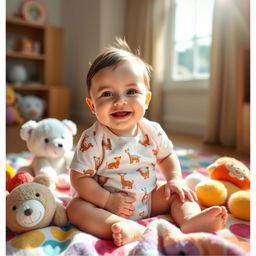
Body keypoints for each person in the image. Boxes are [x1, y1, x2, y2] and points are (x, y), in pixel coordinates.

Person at [67, 38, 228, 247]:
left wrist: (174, 179)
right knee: (76, 208)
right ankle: (124, 228)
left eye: (131, 92)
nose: (120, 101)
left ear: (147, 99)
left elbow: (167, 156)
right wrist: (107, 200)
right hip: (104, 206)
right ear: (92, 105)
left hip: (149, 199)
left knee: (180, 192)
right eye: (107, 94)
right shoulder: (92, 139)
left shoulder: (152, 130)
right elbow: (79, 177)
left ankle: (189, 220)